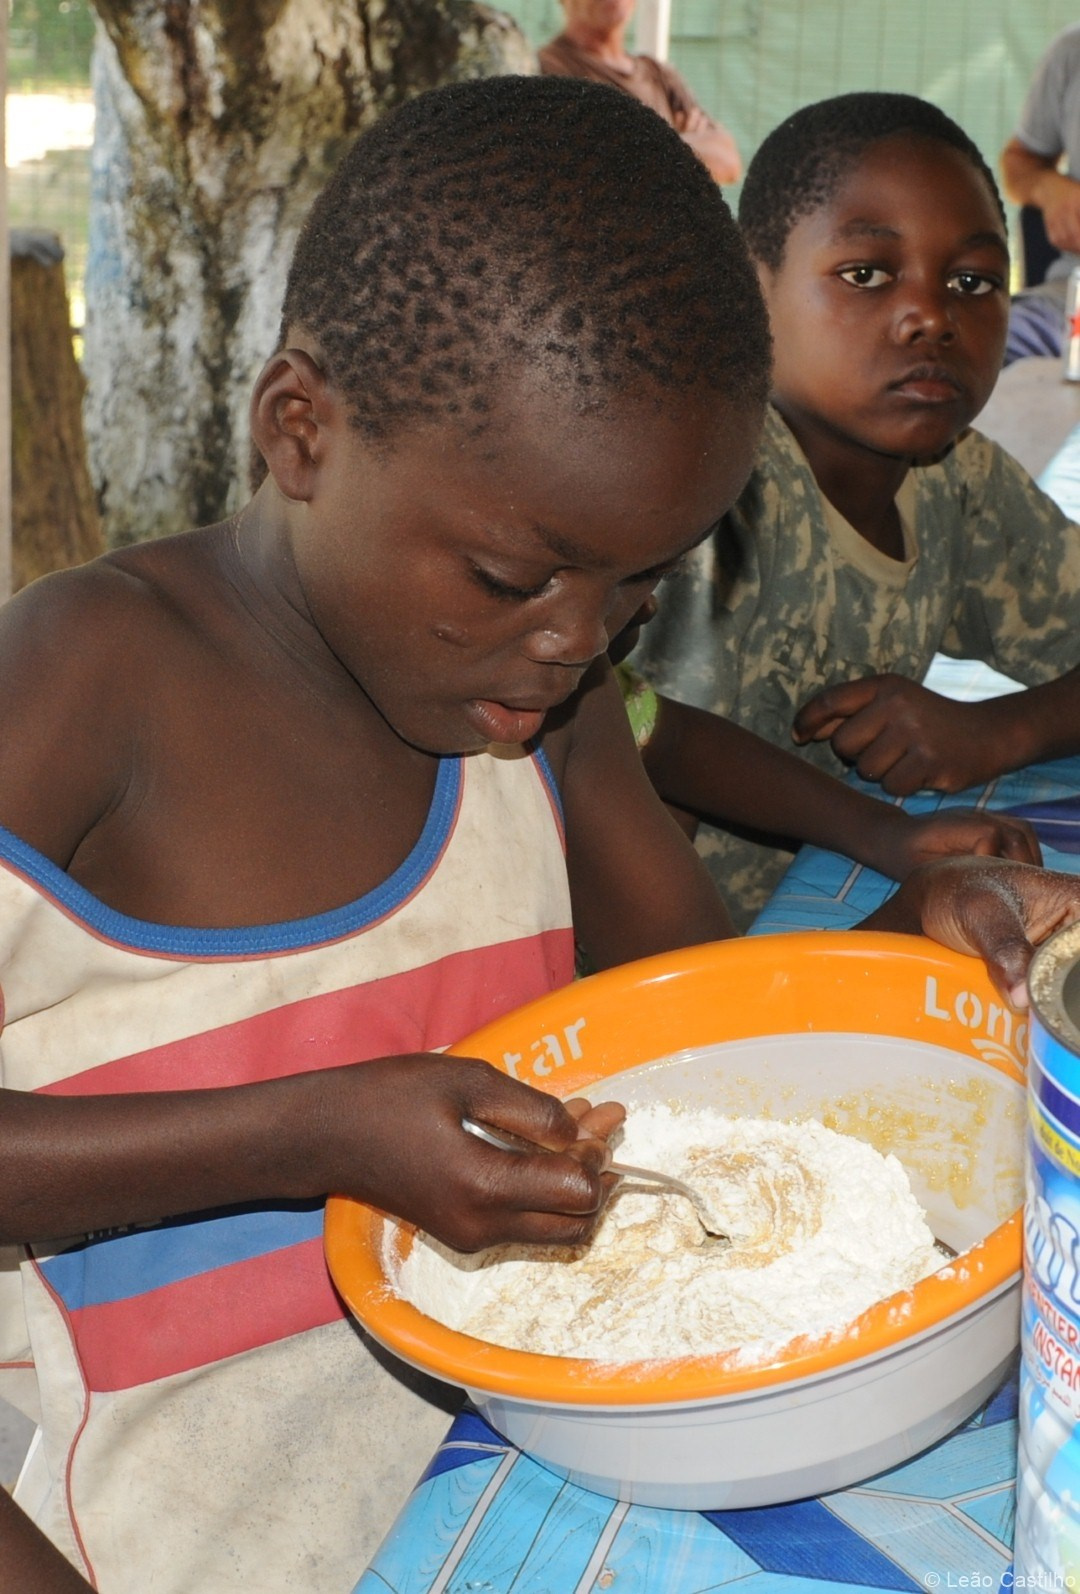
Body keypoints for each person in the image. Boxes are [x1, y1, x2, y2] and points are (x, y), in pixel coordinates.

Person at [1, 76, 1079, 1594]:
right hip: (194, 1534)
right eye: (518, 575)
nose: (575, 642)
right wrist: (314, 1130)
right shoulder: (79, 681)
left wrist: (908, 945)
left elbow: (701, 1034)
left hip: (532, 1487)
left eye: (637, 591)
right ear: (299, 430)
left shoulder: (549, 719)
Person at [631, 90, 1080, 929]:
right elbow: (622, 728)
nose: (930, 317)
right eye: (866, 275)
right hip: (640, 956)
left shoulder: (956, 480)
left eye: (973, 281)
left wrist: (998, 733)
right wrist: (874, 829)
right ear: (747, 286)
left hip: (819, 910)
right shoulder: (699, 480)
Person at [538, 0, 741, 184]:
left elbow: (727, 162)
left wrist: (637, 149)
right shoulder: (546, 72)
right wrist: (679, 141)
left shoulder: (660, 75)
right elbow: (596, 165)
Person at [1000, 23, 1080, 363]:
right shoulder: (1071, 52)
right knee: (976, 349)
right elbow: (1019, 162)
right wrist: (1049, 188)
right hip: (1070, 299)